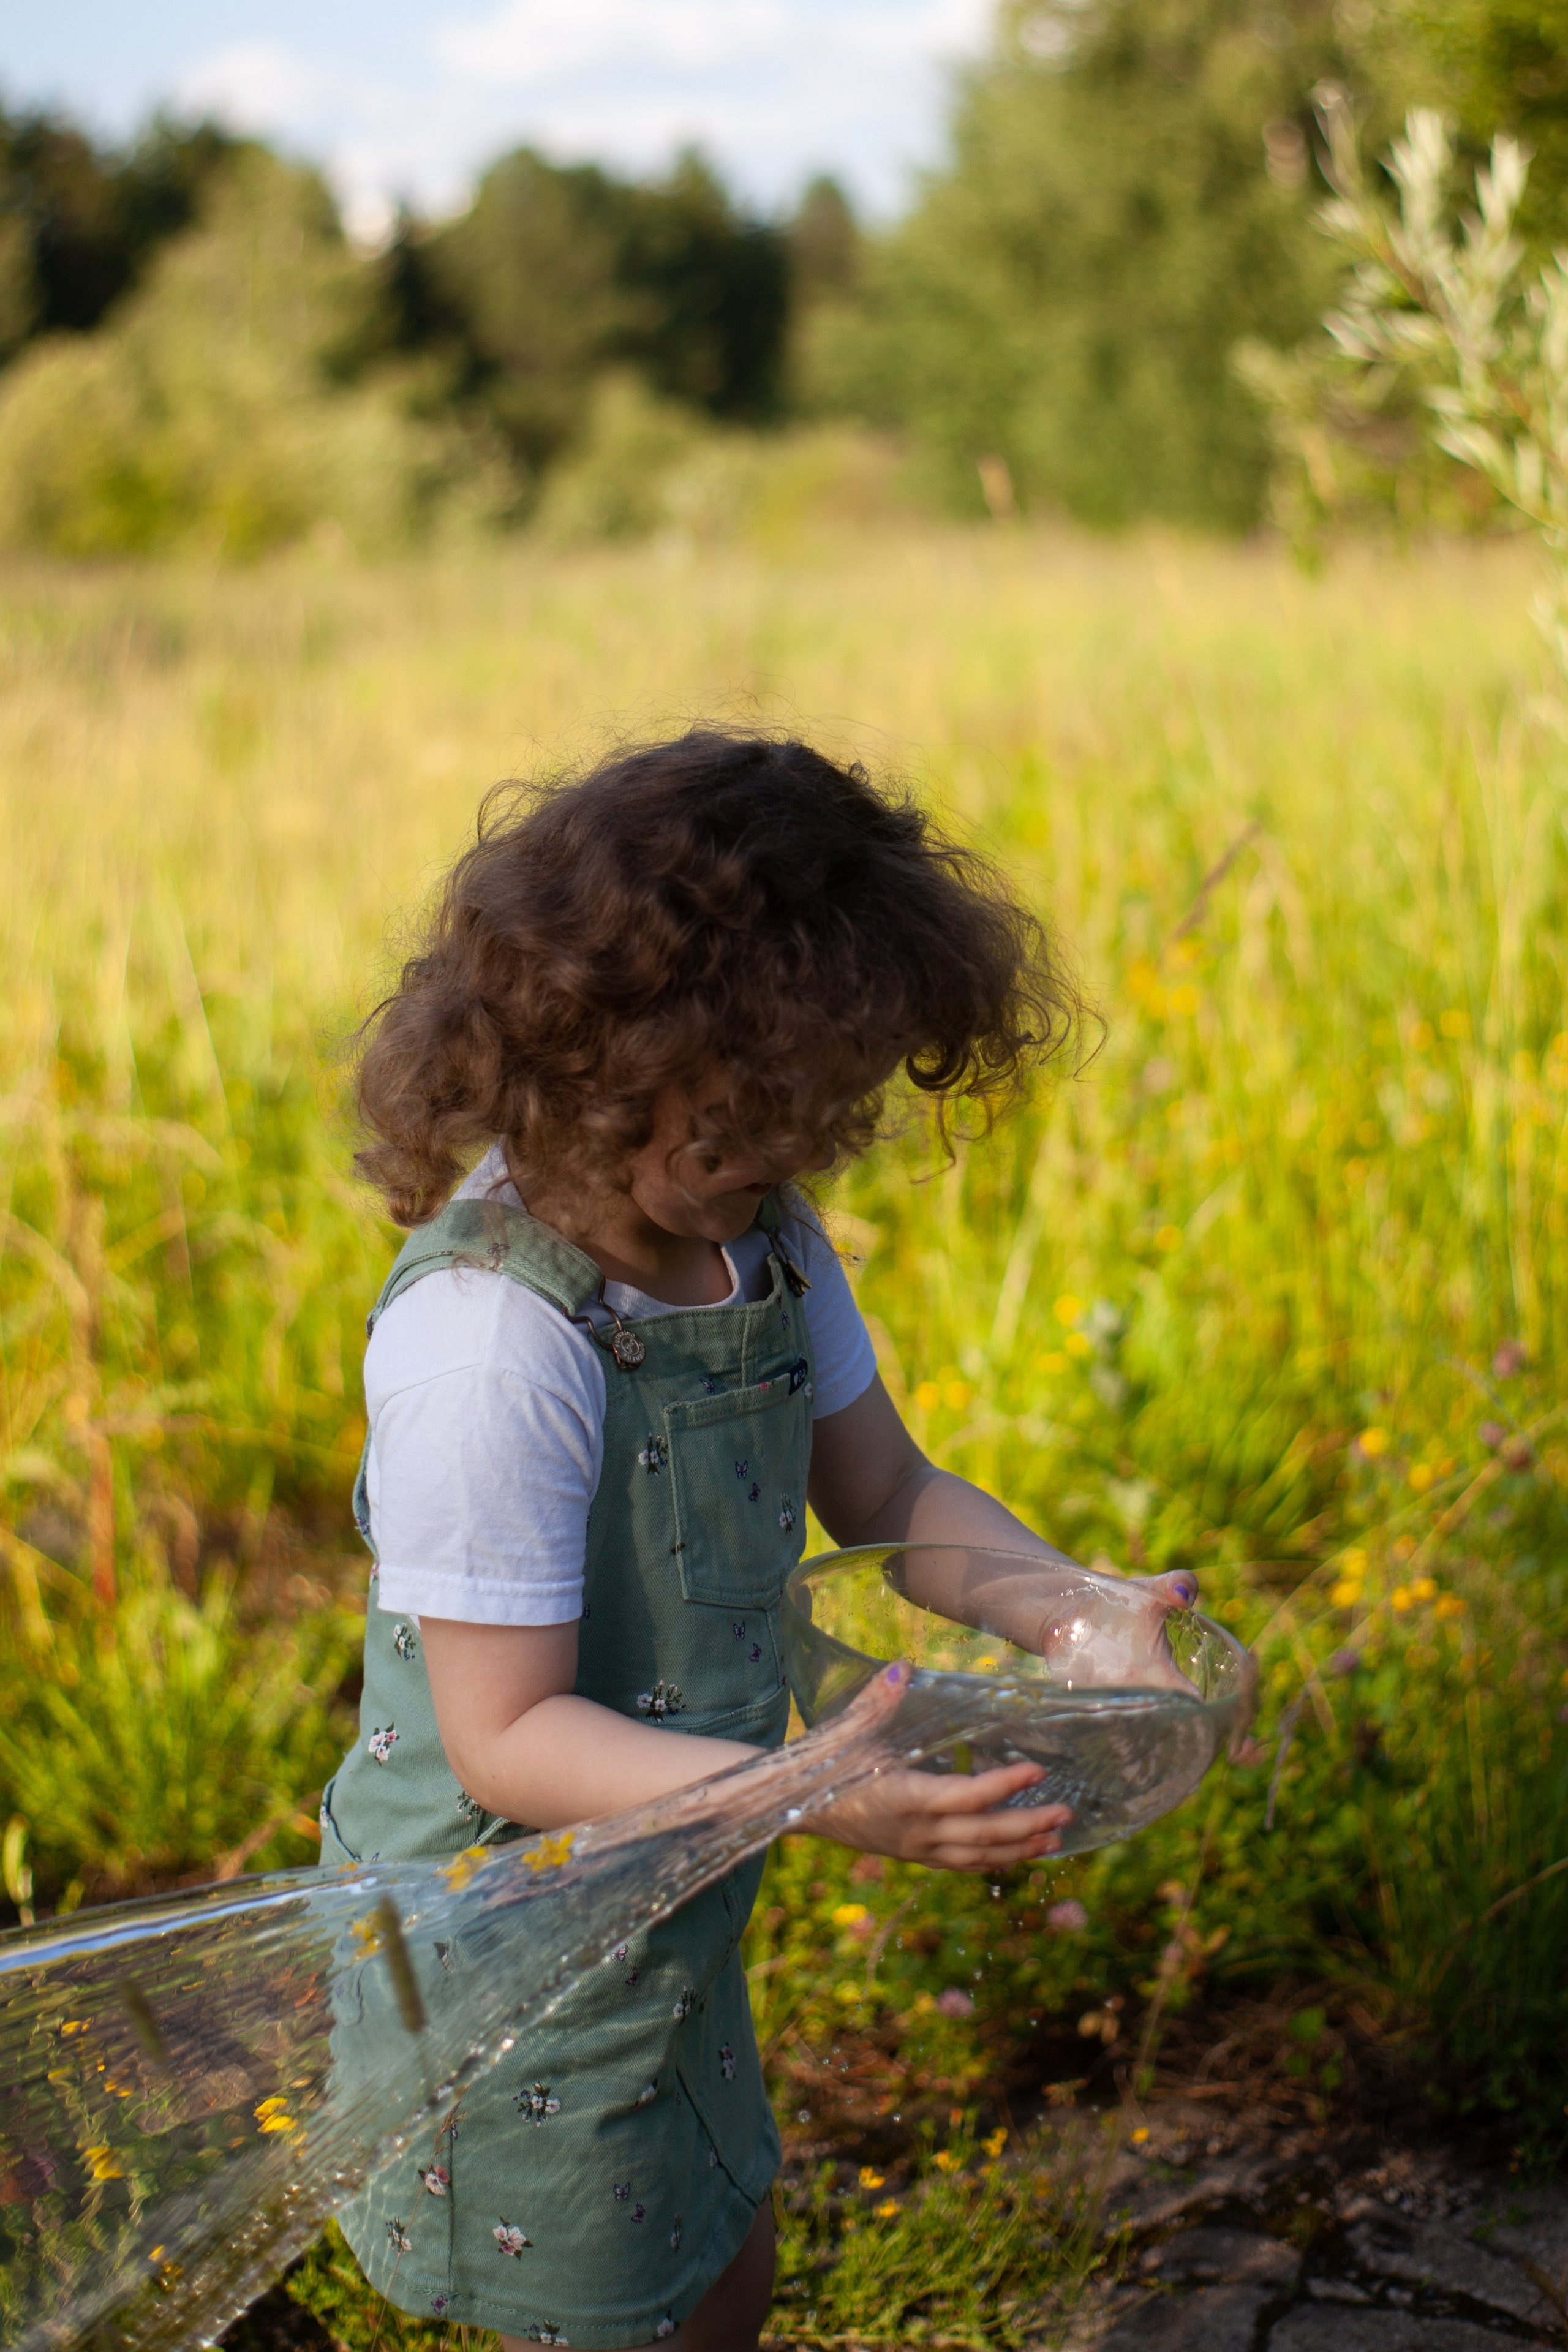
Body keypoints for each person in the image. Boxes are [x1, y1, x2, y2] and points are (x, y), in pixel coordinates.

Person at [319, 731, 1196, 2351]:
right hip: (505, 1949)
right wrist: (817, 1789)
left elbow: (893, 1497)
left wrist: (1081, 1613)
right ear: (592, 1052)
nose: (790, 1154)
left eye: (822, 1112)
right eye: (740, 1119)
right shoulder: (492, 1343)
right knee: (604, 2307)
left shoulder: (761, 1242)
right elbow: (503, 1742)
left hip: (673, 1897)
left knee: (724, 2258)